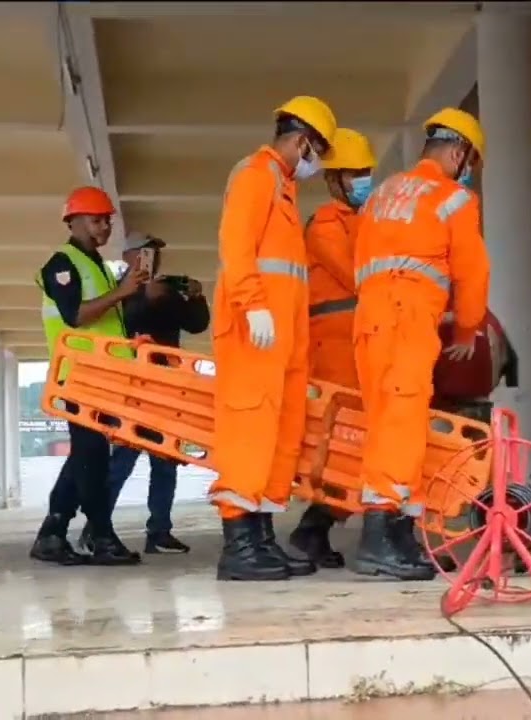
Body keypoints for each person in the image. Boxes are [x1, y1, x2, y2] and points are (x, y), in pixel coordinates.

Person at [349, 108, 491, 581]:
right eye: (469, 162)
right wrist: (468, 329)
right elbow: (473, 272)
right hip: (407, 317)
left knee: (384, 422)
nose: (467, 170)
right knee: (404, 419)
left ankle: (399, 535)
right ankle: (378, 538)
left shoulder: (381, 195)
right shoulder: (454, 198)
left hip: (369, 319)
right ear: (458, 152)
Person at [209, 96, 338, 581]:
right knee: (250, 429)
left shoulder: (283, 187)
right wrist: (253, 303)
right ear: (303, 141)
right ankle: (238, 545)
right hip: (253, 329)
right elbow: (236, 244)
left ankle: (260, 535)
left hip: (281, 337)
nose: (317, 163)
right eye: (318, 152)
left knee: (279, 434)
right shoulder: (255, 174)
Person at [30, 186, 147, 566]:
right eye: (97, 220)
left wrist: (131, 344)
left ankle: (54, 532)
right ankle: (100, 534)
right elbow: (76, 316)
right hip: (80, 378)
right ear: (74, 221)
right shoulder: (62, 265)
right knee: (92, 458)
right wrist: (123, 292)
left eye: (107, 221)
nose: (104, 228)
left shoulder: (94, 263)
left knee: (87, 457)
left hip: (100, 377)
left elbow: (104, 329)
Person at [77, 230, 209, 556]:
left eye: (155, 252)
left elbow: (197, 324)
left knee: (166, 461)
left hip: (166, 387)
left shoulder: (166, 290)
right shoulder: (117, 290)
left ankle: (160, 531)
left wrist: (195, 296)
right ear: (128, 257)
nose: (152, 258)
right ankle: (96, 528)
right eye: (145, 252)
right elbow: (121, 323)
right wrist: (141, 296)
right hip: (132, 390)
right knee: (121, 460)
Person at [286, 128, 376, 569]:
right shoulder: (325, 224)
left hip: (361, 347)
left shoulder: (367, 221)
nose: (363, 180)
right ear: (333, 179)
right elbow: (359, 275)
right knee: (346, 448)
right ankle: (312, 530)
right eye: (355, 173)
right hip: (335, 352)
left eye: (366, 172)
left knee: (359, 447)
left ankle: (313, 530)